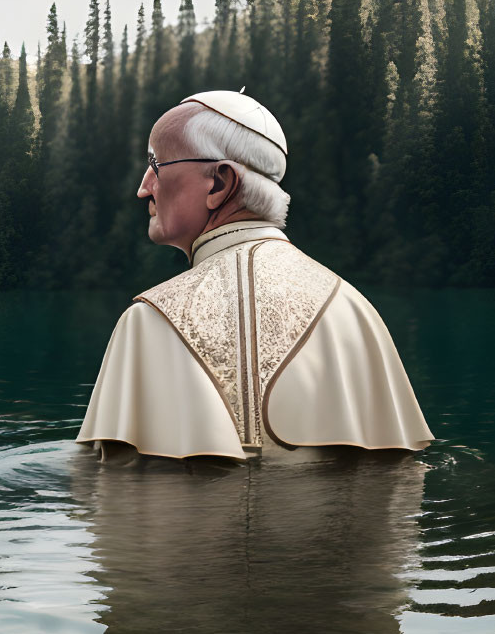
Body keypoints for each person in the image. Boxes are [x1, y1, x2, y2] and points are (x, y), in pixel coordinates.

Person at [75, 90, 433, 462]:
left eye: (156, 164)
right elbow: (396, 483)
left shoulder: (149, 322)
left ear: (219, 183)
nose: (144, 187)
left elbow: (112, 488)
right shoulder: (355, 311)